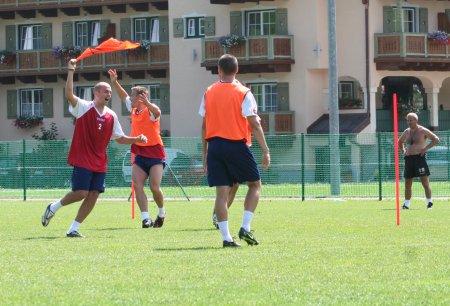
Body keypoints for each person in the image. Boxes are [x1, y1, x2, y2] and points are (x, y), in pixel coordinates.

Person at [41, 59, 148, 238]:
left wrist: (136, 139)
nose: (109, 94)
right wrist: (70, 70)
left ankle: (72, 229)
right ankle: (53, 207)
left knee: (94, 195)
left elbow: (120, 138)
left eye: (110, 92)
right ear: (96, 92)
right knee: (81, 193)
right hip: (82, 158)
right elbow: (69, 94)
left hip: (100, 161)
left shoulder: (111, 115)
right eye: (106, 91)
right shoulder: (83, 107)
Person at [199, 54, 270, 247]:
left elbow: (204, 125)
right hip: (236, 144)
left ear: (219, 70)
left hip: (214, 146)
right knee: (254, 185)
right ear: (237, 70)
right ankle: (245, 227)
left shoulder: (208, 92)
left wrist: (204, 153)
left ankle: (226, 238)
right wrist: (265, 150)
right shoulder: (244, 92)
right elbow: (254, 123)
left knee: (221, 194)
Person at [108, 68, 166, 228]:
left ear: (141, 97)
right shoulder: (134, 109)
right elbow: (123, 96)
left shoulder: (149, 109)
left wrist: (148, 103)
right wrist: (114, 82)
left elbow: (158, 112)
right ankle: (145, 218)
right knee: (137, 185)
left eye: (132, 95)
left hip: (155, 152)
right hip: (139, 152)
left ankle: (161, 213)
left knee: (155, 187)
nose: (130, 98)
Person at [398, 112, 439, 210]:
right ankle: (406, 204)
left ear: (416, 120)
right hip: (409, 159)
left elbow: (436, 139)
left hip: (419, 159)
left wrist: (425, 148)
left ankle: (429, 202)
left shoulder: (423, 130)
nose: (409, 122)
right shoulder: (407, 131)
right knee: (408, 182)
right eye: (408, 120)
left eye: (411, 120)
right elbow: (399, 142)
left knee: (424, 181)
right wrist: (403, 151)